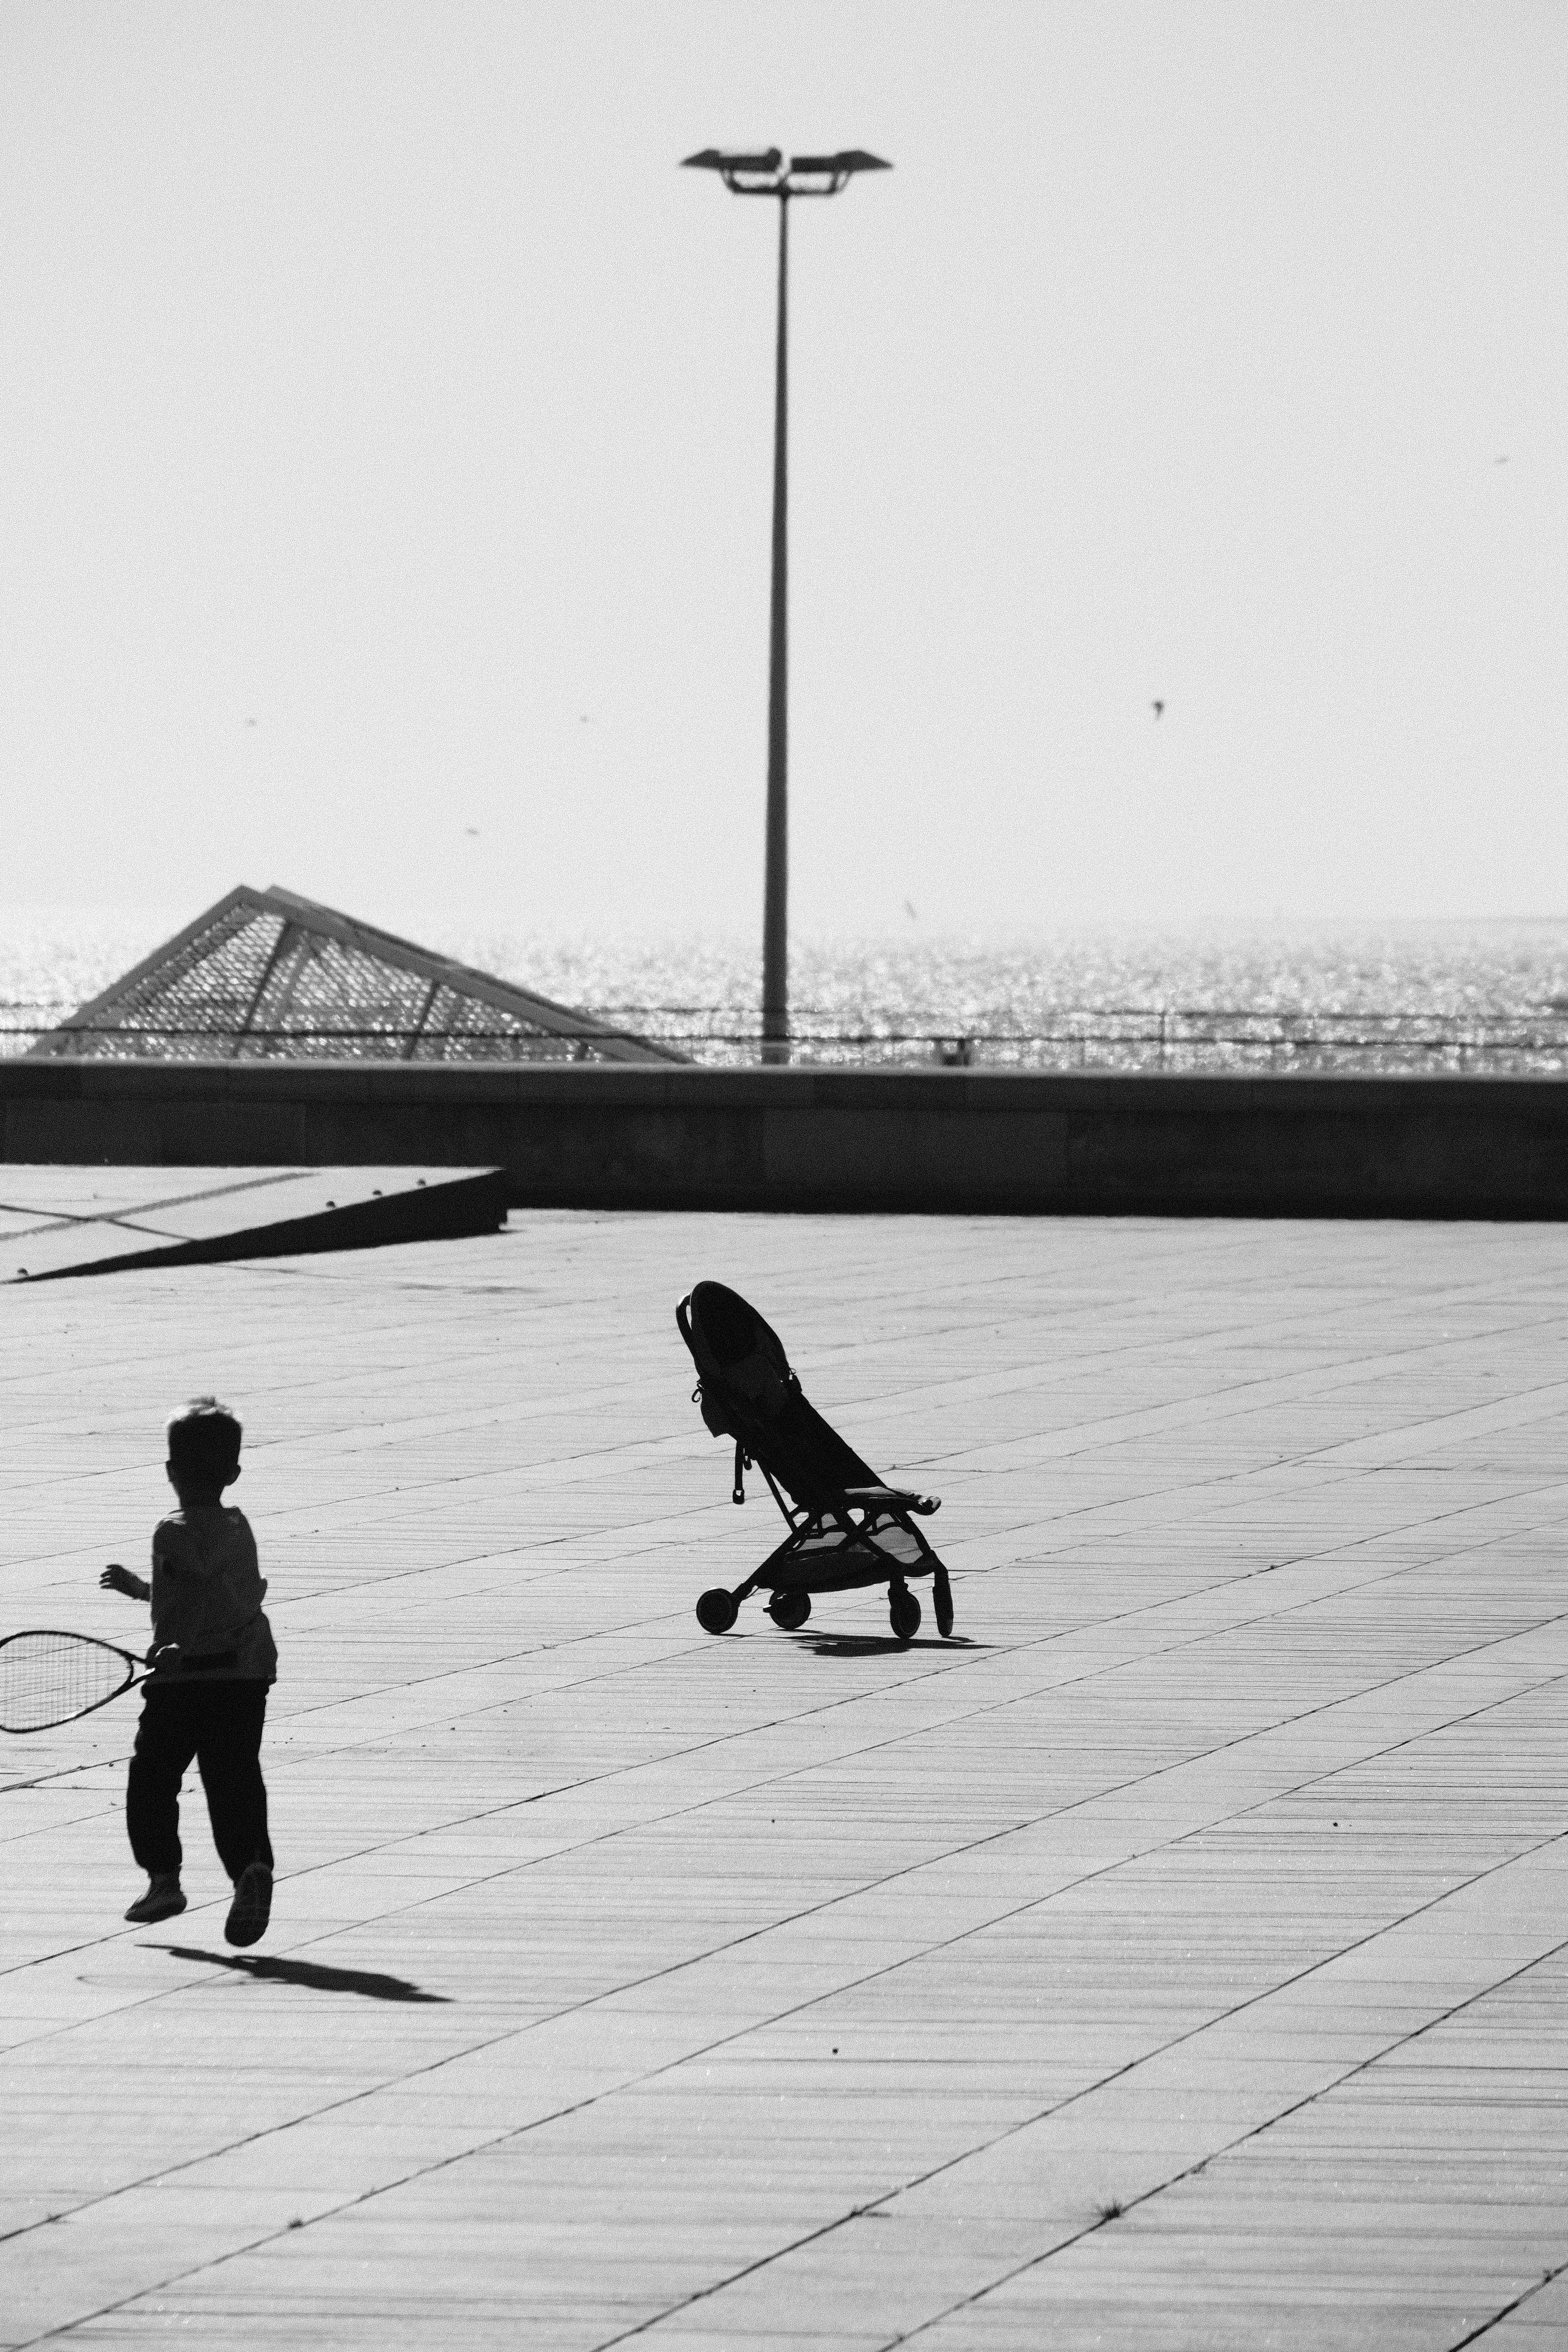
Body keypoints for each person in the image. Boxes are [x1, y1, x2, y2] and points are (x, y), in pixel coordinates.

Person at [101, 1397, 278, 1945]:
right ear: (234, 1473)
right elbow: (211, 1591)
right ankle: (250, 1866)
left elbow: (192, 1595)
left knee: (153, 1777)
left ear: (170, 1473)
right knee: (234, 1779)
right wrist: (144, 1592)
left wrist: (179, 1647)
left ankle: (164, 1877)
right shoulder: (239, 1527)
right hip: (245, 1677)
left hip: (184, 1681)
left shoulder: (171, 1531)